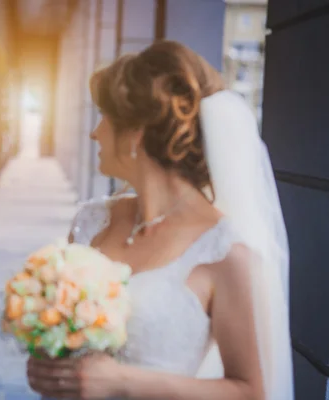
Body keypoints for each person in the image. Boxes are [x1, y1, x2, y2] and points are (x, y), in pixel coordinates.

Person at [26, 41, 293, 400]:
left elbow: (250, 391)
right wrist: (48, 359)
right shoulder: (90, 221)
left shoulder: (225, 252)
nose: (94, 133)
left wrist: (122, 382)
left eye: (105, 116)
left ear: (136, 133)